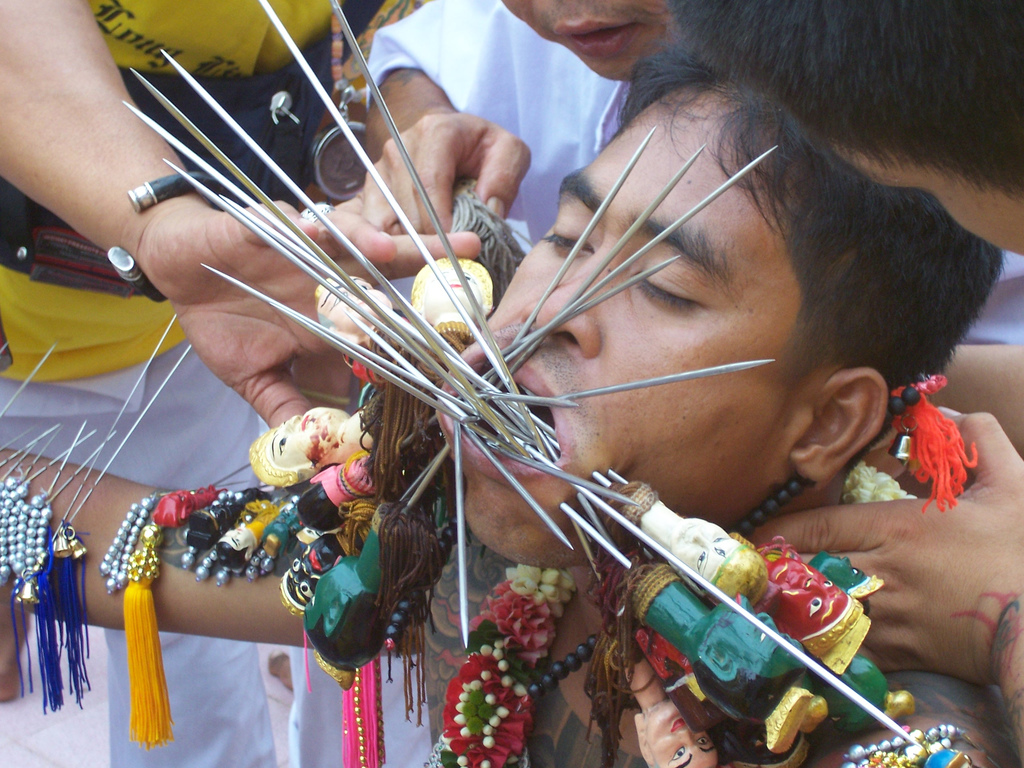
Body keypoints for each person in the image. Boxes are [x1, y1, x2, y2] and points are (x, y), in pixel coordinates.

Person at [0, 1, 469, 765]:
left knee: (194, 679)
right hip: (55, 320)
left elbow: (391, 33)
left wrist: (407, 112)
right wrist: (155, 227)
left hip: (216, 313)